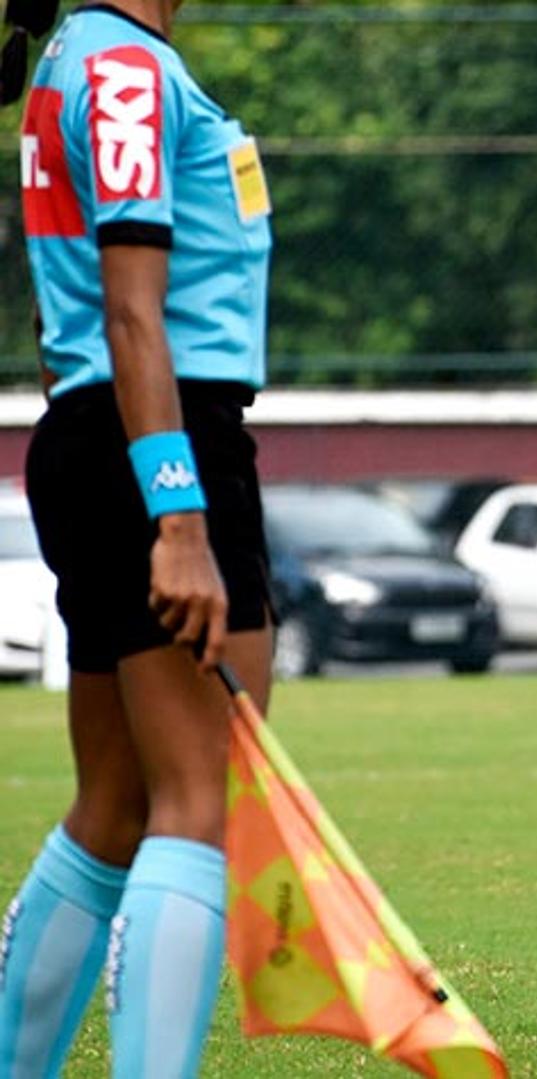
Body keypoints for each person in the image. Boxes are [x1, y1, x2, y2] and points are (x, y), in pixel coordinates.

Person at [1, 1, 276, 1075]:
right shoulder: (121, 70)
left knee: (114, 806)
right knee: (199, 803)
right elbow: (130, 309)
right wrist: (178, 516)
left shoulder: (81, 59)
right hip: (162, 436)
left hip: (94, 428)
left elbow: (66, 317)